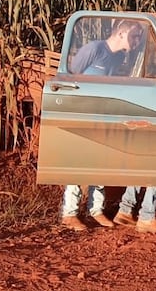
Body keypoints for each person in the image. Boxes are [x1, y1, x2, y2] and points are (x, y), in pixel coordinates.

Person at [60, 20, 144, 231]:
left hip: (101, 115)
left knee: (98, 162)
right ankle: (69, 213)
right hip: (82, 113)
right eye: (134, 36)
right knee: (79, 162)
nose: (136, 41)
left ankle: (95, 209)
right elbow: (70, 77)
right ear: (122, 33)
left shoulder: (118, 57)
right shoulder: (94, 49)